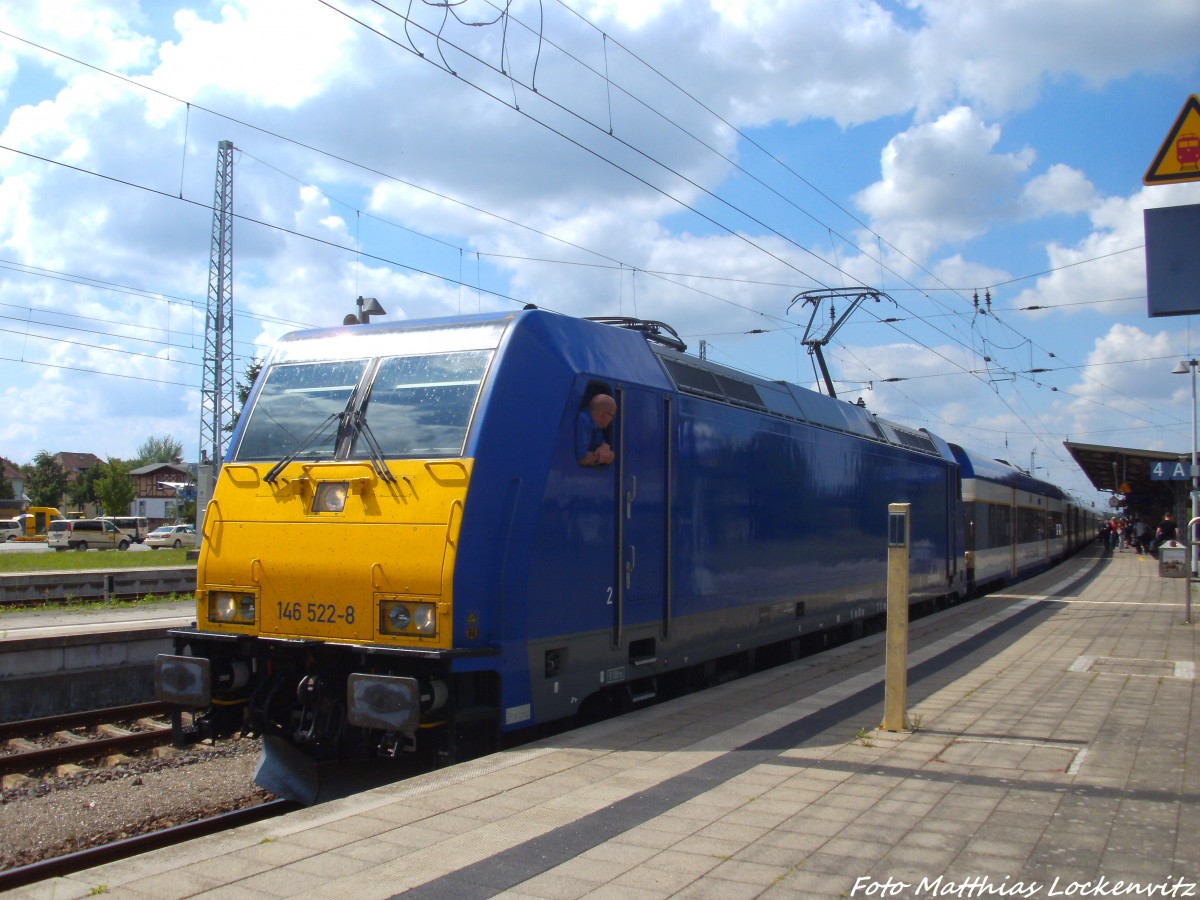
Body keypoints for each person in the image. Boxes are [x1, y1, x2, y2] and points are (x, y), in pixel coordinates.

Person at [576, 393, 617, 466]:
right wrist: (602, 456)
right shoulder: (583, 421)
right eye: (612, 415)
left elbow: (600, 442)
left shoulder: (597, 426)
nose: (612, 419)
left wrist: (605, 446)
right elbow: (581, 458)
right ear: (603, 415)